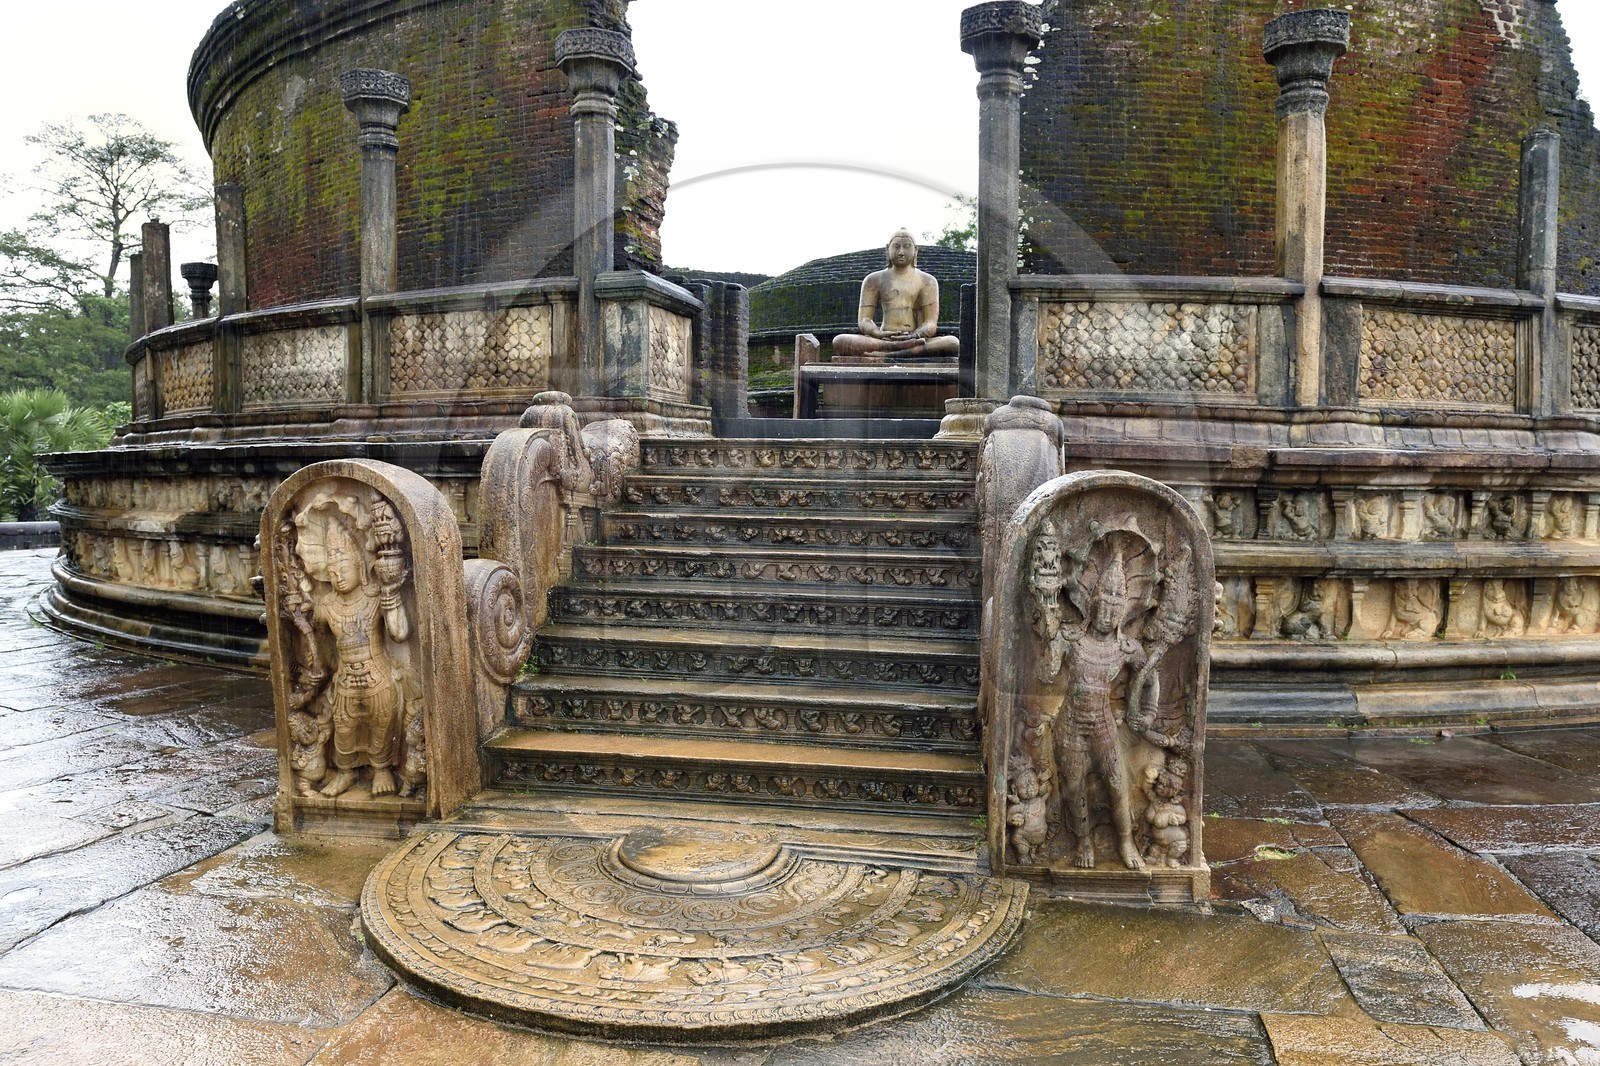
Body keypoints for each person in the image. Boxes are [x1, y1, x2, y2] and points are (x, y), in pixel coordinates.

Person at [1053, 553, 1146, 871]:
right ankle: (1082, 841)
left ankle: (1125, 840)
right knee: (1073, 786)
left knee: (1116, 783)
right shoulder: (1071, 638)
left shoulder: (1126, 648)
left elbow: (1148, 676)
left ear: (1123, 613)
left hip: (1103, 723)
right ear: (1091, 604)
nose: (1107, 614)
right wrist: (1051, 642)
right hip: (1070, 723)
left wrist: (1140, 708)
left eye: (1115, 608)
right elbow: (1045, 674)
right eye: (1103, 605)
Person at [830, 229, 960, 363]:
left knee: (952, 343)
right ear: (888, 249)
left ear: (915, 250)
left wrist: (915, 335)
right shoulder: (873, 279)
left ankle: (890, 354)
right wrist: (877, 333)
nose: (901, 252)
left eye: (907, 246)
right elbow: (864, 320)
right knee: (840, 341)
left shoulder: (927, 281)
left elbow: (931, 323)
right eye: (896, 246)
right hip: (883, 339)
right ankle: (899, 349)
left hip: (914, 338)